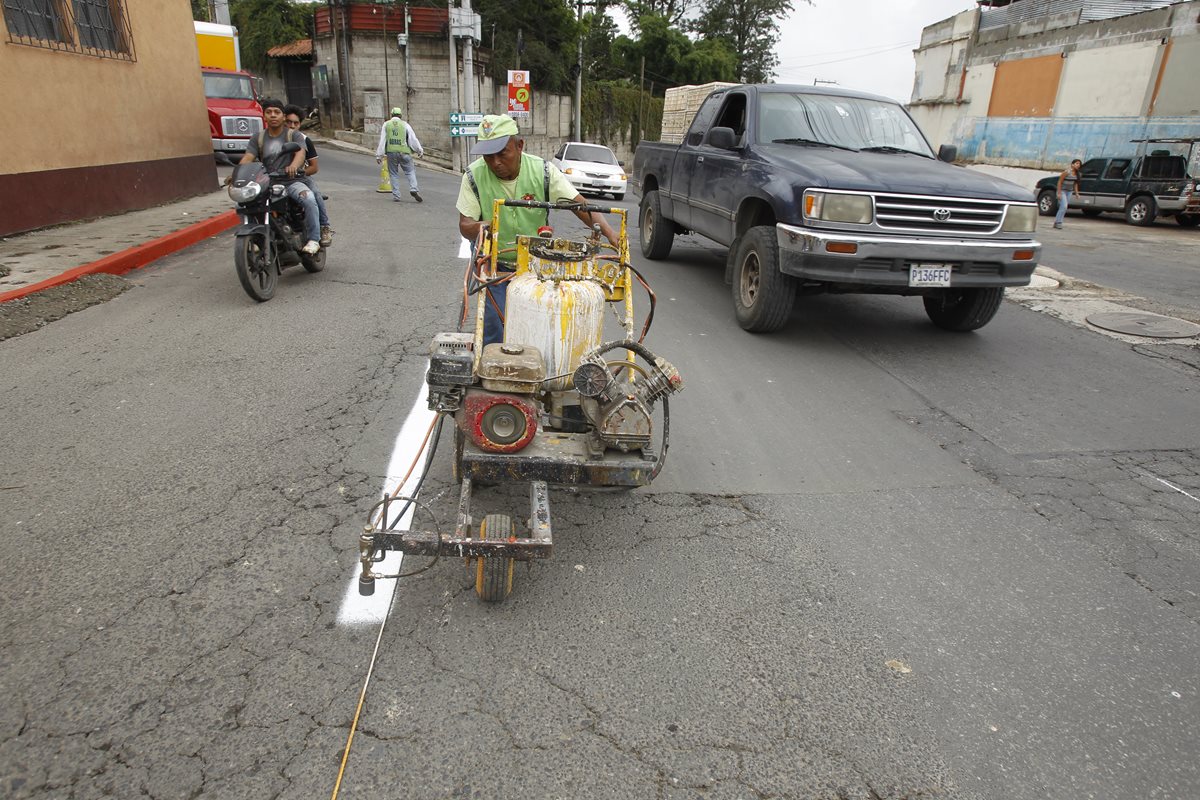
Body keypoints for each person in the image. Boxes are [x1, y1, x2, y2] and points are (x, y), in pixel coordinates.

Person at [457, 114, 619, 346]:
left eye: (502, 154)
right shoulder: (473, 174)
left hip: (536, 264)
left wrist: (610, 233)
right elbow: (465, 225)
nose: (495, 163)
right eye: (488, 156)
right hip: (494, 261)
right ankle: (491, 373)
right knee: (494, 322)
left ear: (520, 146)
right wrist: (487, 225)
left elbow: (580, 205)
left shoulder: (543, 171)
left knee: (539, 320)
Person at [239, 98, 321, 254]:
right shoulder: (258, 138)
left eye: (277, 112)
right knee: (244, 203)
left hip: (291, 182)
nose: (273, 115)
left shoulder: (293, 136)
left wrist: (293, 167)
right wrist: (237, 173)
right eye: (269, 112)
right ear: (264, 116)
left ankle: (314, 239)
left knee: (309, 198)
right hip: (267, 183)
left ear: (283, 116)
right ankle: (255, 238)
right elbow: (248, 157)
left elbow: (300, 153)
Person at [284, 105, 333, 247]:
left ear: (300, 124)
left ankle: (324, 227)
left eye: (296, 123)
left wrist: (297, 172)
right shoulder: (272, 137)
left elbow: (314, 167)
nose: (292, 126)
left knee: (315, 195)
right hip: (276, 179)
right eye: (288, 122)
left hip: (300, 178)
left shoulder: (304, 140)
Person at [375, 108, 425, 202]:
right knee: (410, 171)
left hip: (391, 153)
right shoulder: (405, 125)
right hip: (404, 152)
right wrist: (419, 151)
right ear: (400, 116)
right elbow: (412, 139)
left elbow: (382, 141)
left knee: (393, 174)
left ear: (391, 115)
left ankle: (396, 195)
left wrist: (379, 155)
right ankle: (413, 188)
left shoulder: (386, 124)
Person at [1054, 158, 1082, 229]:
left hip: (1069, 192)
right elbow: (1060, 181)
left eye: (1079, 164)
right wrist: (1059, 193)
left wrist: (1076, 193)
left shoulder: (1078, 174)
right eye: (1077, 163)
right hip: (1062, 191)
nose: (1078, 165)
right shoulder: (1067, 172)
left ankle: (1057, 222)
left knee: (1063, 207)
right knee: (1064, 206)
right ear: (1072, 164)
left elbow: (1075, 184)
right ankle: (1058, 222)